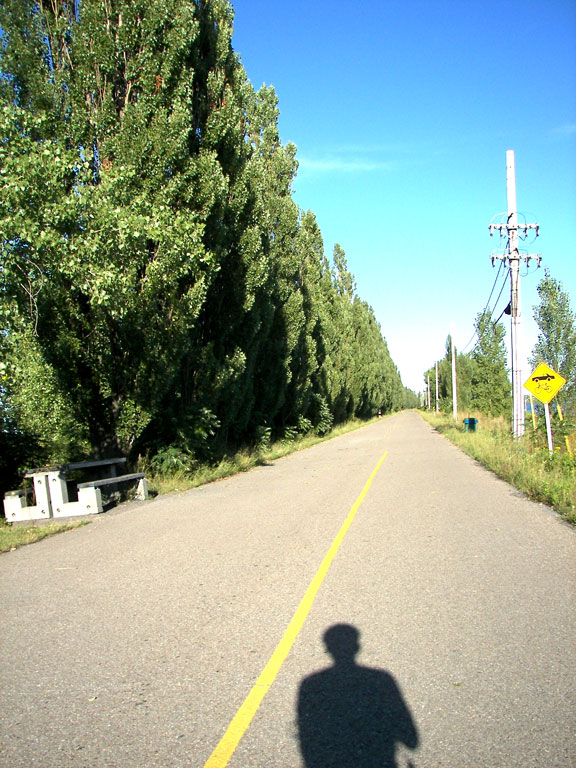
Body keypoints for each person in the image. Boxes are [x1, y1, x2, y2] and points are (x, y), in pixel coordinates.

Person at [297, 624, 419, 768]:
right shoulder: (380, 681)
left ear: (328, 649)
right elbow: (410, 738)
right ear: (357, 647)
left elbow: (307, 738)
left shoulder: (312, 685)